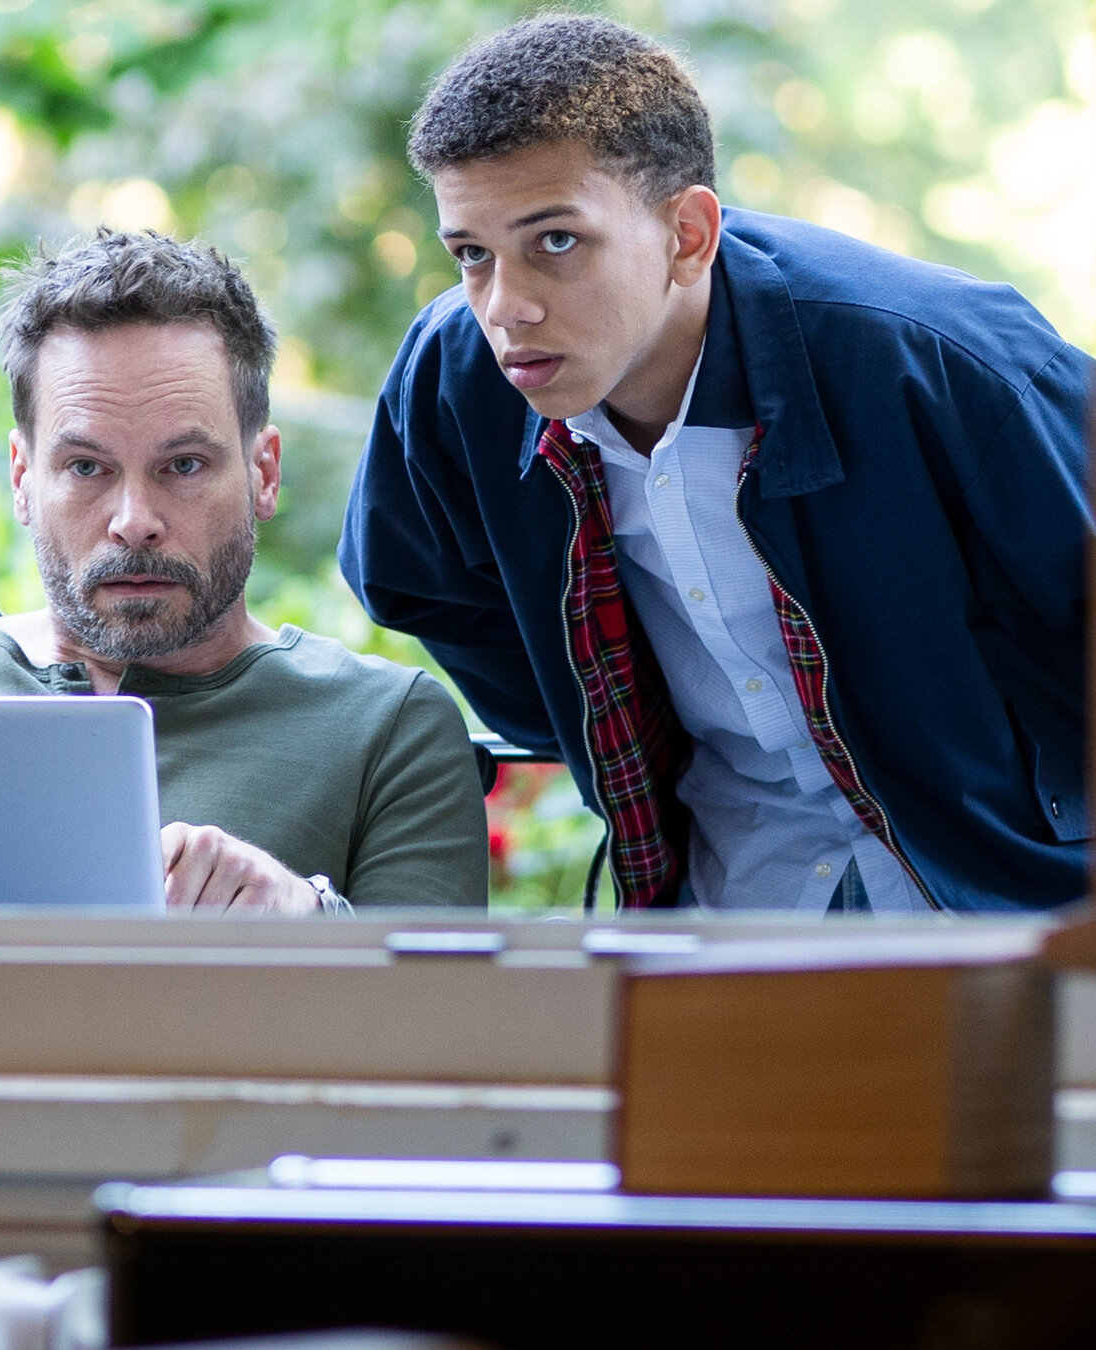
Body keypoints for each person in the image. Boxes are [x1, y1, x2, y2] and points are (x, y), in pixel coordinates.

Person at [339, 15, 1094, 913]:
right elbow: (418, 586)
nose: (506, 308)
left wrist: (1045, 807)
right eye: (471, 254)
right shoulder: (455, 379)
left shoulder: (940, 363)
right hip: (724, 903)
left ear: (689, 233)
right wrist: (612, 723)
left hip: (1007, 905)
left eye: (555, 242)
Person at [0, 230, 489, 912]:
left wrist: (307, 921)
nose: (134, 519)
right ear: (23, 478)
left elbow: (441, 1024)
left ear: (263, 472)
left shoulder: (385, 731)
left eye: (183, 466)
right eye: (87, 467)